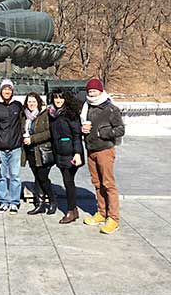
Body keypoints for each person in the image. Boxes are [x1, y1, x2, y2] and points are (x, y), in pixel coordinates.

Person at [82, 78, 125, 235]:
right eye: (89, 91)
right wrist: (83, 130)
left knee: (108, 184)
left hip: (105, 150)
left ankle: (113, 218)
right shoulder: (86, 107)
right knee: (97, 183)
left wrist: (103, 133)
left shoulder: (111, 109)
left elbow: (120, 129)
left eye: (94, 90)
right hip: (91, 150)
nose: (91, 93)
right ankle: (101, 212)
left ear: (100, 91)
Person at [48, 89, 84, 224]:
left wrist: (77, 153)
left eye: (61, 98)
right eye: (56, 98)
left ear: (66, 99)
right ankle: (74, 210)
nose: (58, 100)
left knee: (68, 182)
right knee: (67, 181)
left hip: (70, 153)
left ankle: (70, 211)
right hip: (60, 153)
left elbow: (76, 136)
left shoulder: (70, 114)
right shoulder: (52, 114)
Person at [20, 92, 57, 215]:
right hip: (30, 151)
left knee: (43, 177)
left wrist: (33, 138)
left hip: (42, 151)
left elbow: (50, 132)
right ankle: (40, 203)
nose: (31, 104)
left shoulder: (45, 114)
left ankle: (52, 201)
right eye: (29, 102)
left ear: (38, 102)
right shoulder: (24, 116)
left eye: (33, 101)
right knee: (37, 177)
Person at [0, 79, 23, 214]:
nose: (7, 91)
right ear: (1, 91)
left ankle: (14, 202)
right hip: (0, 146)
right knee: (1, 176)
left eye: (9, 88)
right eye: (5, 88)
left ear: (12, 91)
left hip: (15, 146)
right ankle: (3, 201)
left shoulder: (18, 106)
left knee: (15, 175)